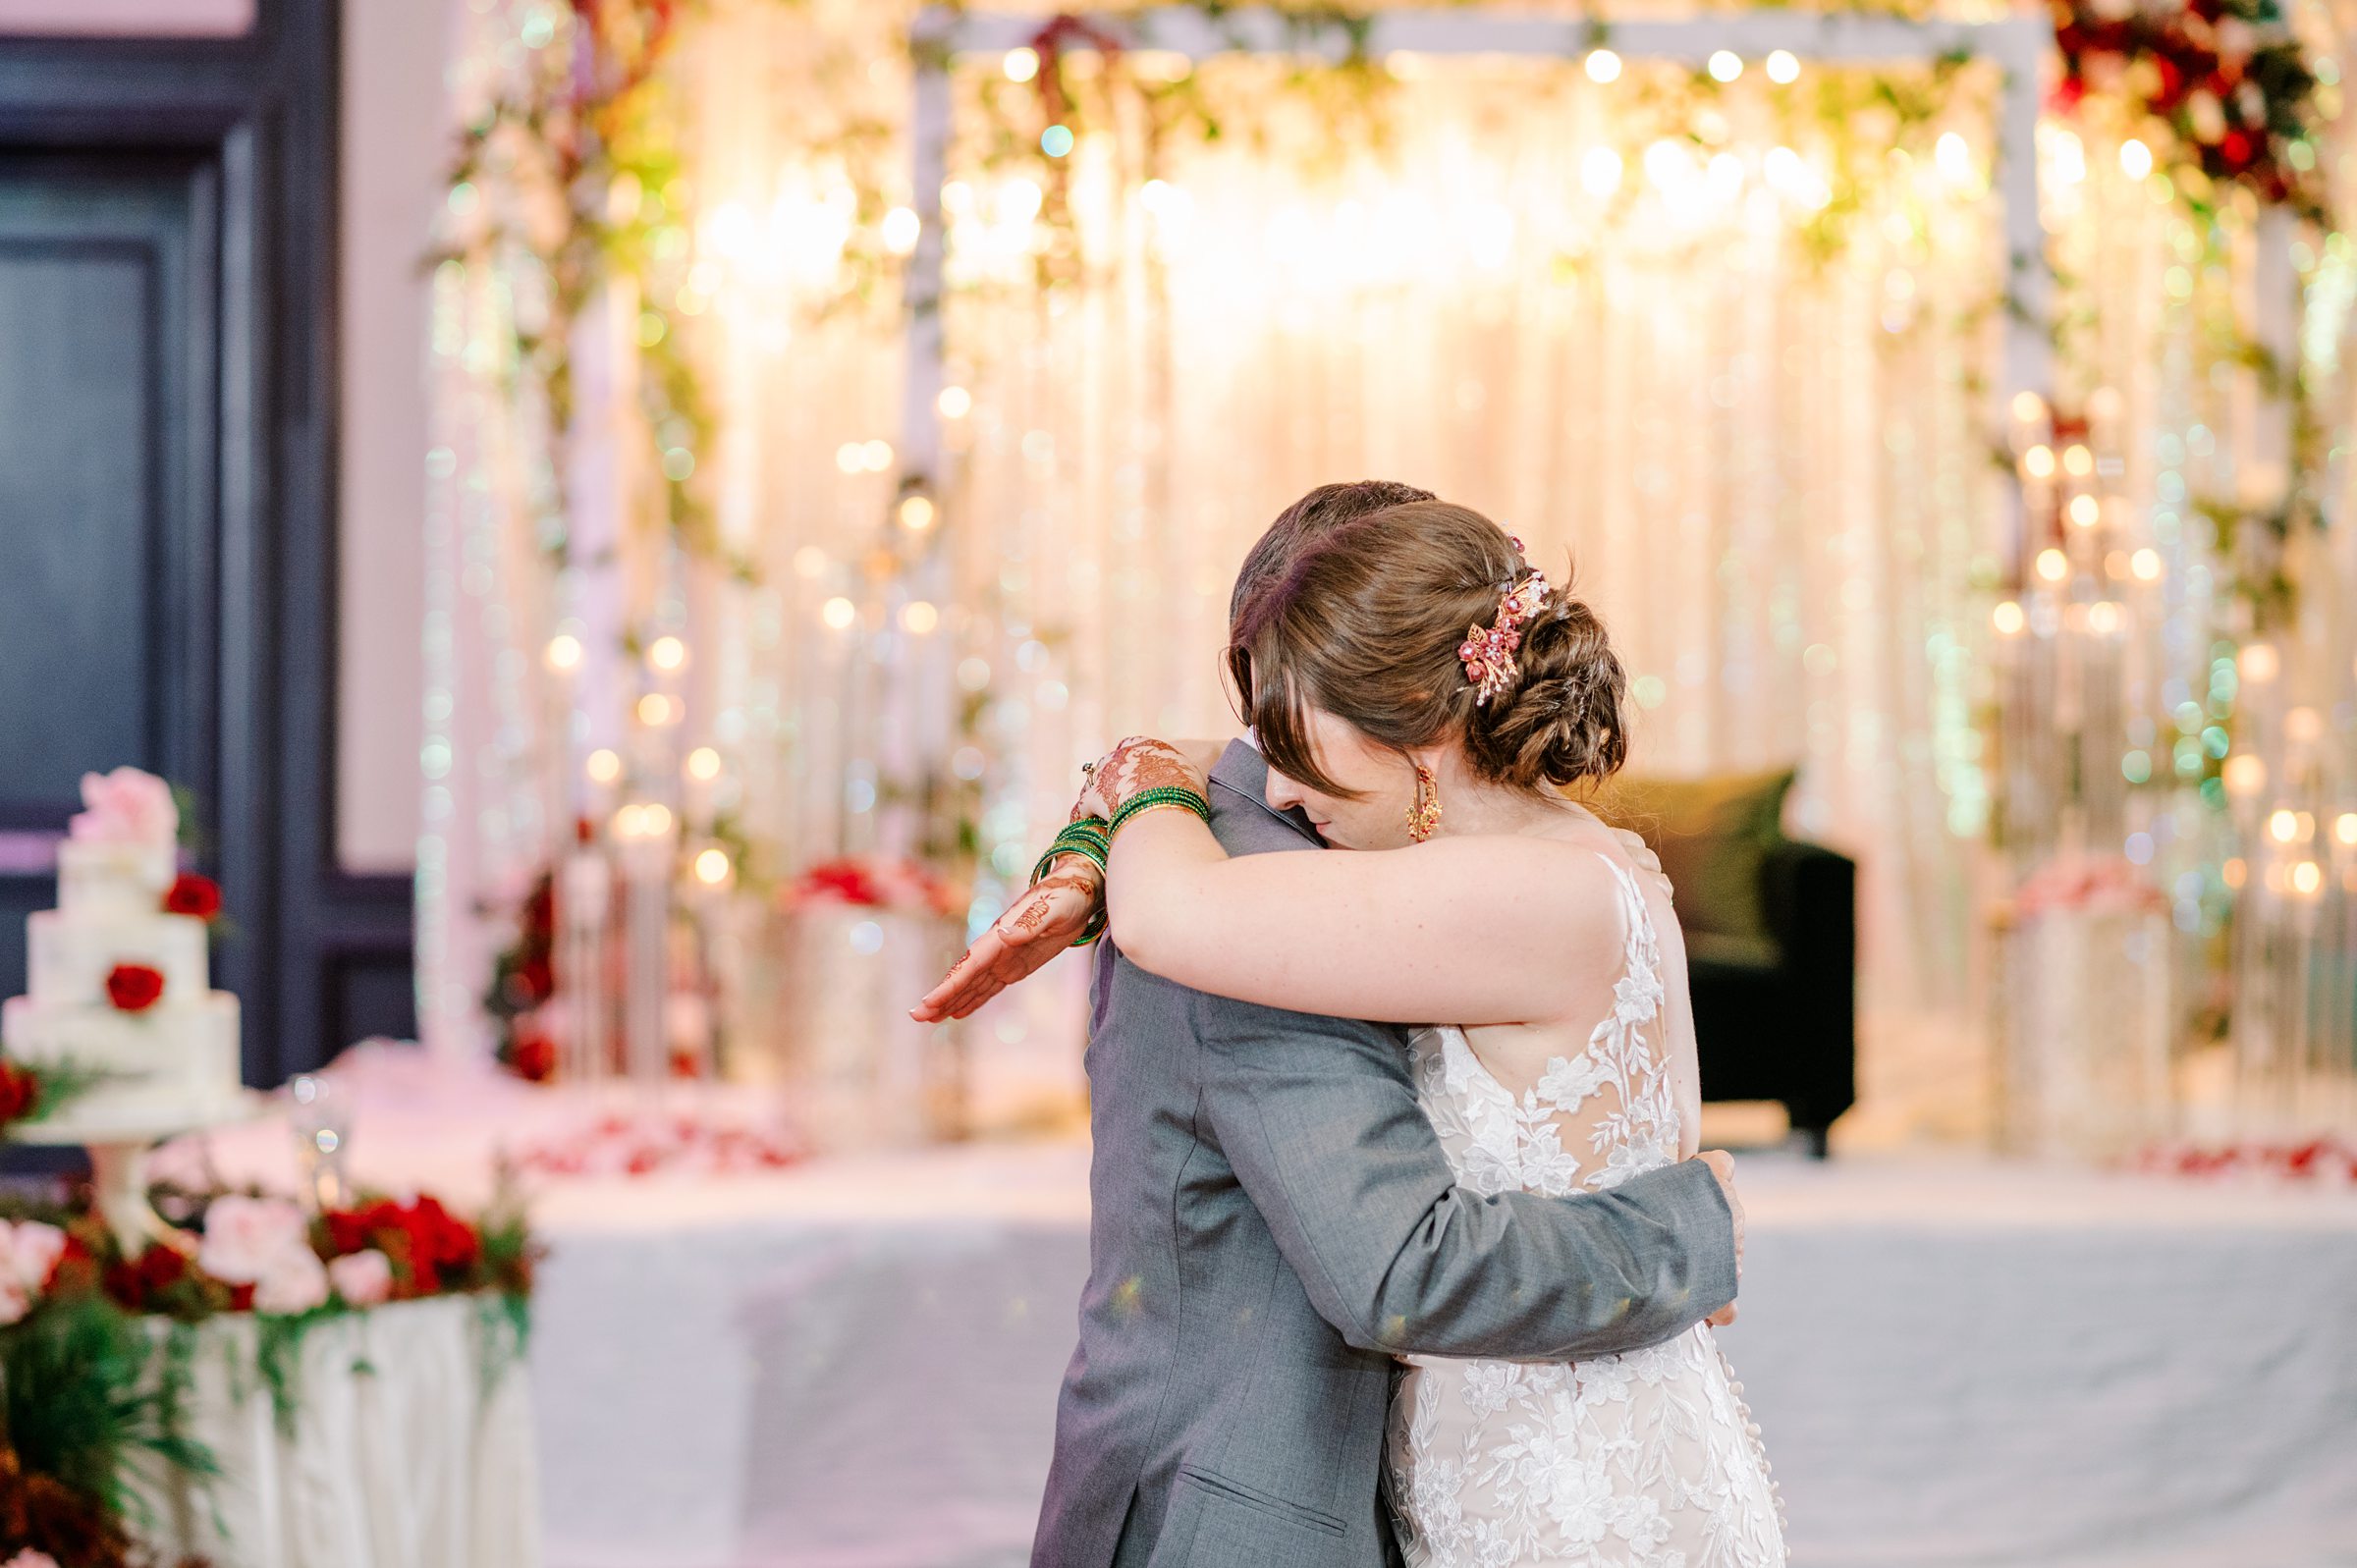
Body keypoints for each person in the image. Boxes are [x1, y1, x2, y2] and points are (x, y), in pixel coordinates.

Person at [913, 484, 1762, 1568]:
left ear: (1413, 707)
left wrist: (1129, 779)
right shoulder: (1594, 860)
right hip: (1507, 1454)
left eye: (1288, 718)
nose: (1270, 776)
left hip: (1571, 1488)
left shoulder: (1502, 893)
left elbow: (1177, 915)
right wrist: (1118, 798)